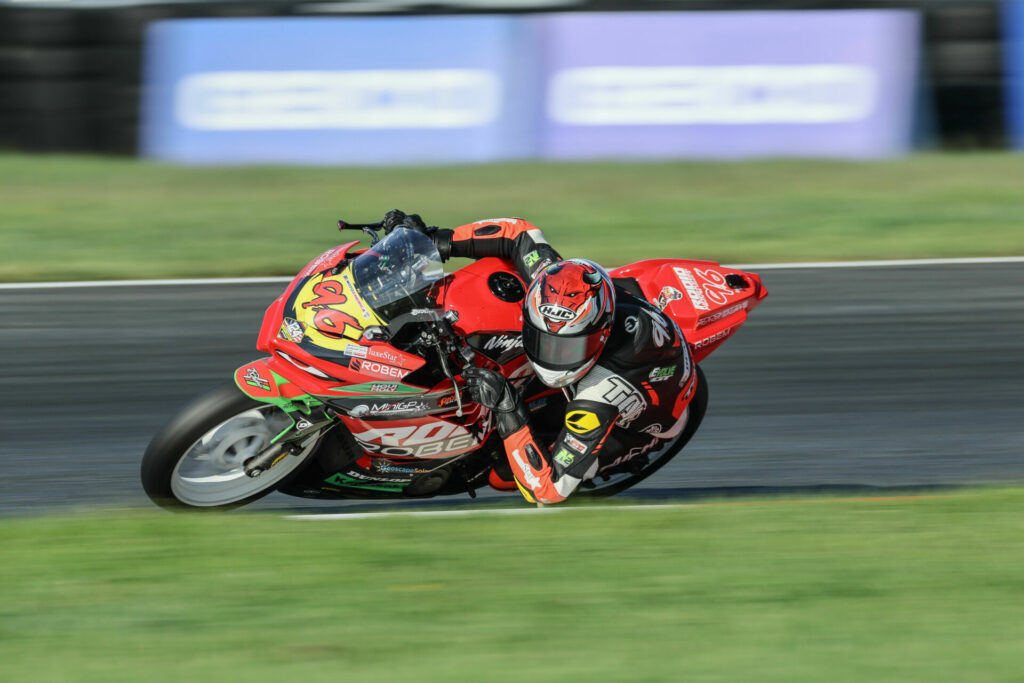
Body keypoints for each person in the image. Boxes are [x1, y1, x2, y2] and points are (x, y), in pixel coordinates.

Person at [381, 209, 697, 505]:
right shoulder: (550, 281)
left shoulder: (600, 396)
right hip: (629, 336)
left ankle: (617, 458)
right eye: (542, 339)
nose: (550, 357)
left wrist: (508, 407)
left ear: (597, 337)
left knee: (504, 475)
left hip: (638, 419)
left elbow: (546, 490)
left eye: (564, 349)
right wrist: (435, 241)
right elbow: (519, 233)